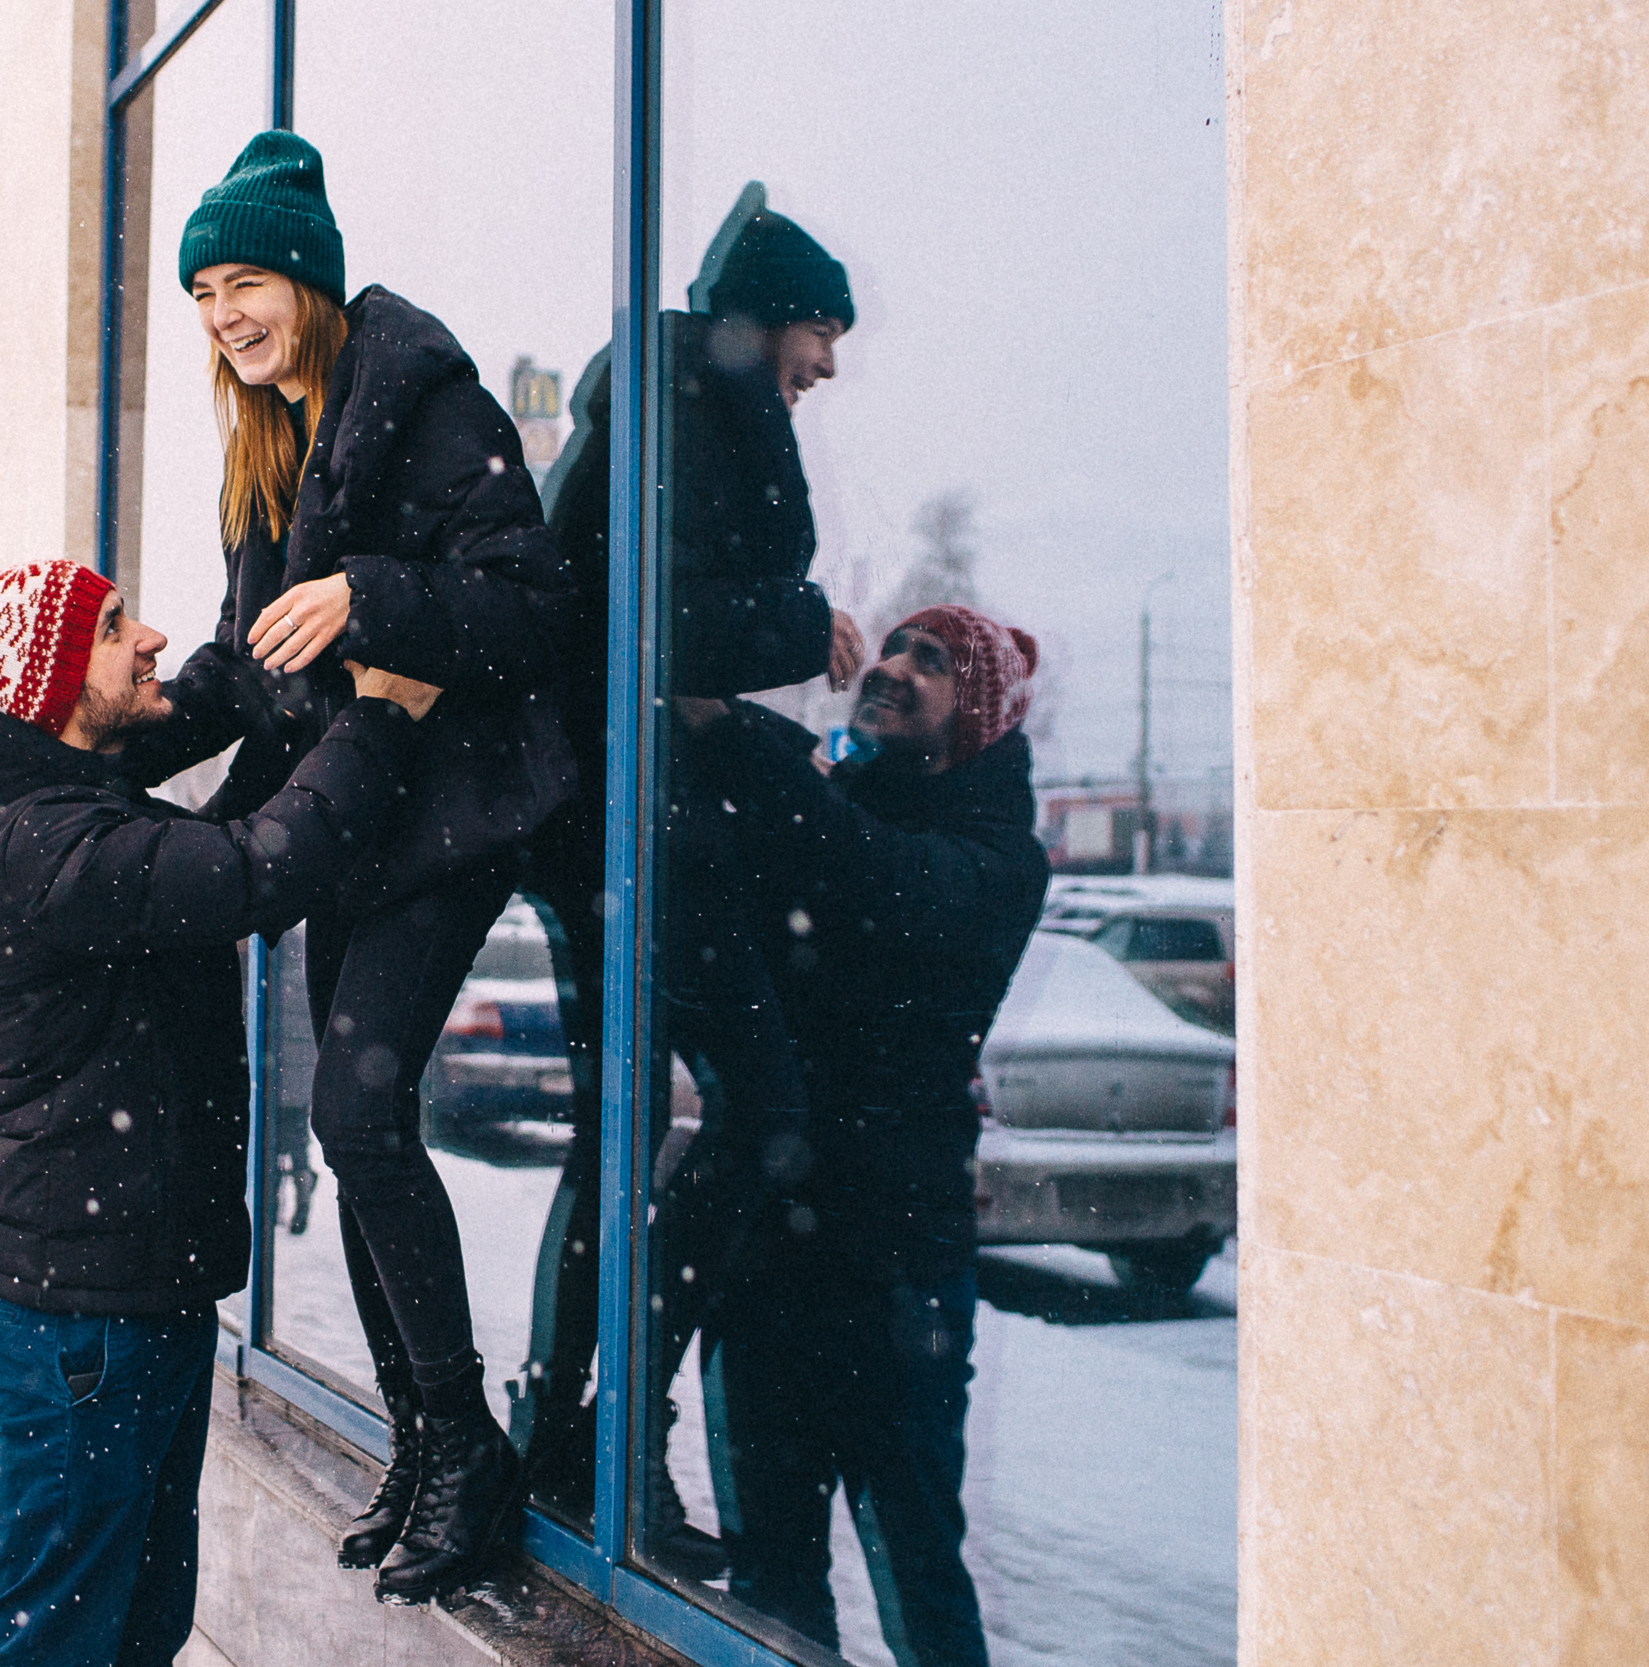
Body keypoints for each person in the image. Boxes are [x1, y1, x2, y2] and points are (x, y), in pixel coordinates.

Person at [118, 131, 579, 1604]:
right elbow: (249, 657)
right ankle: (425, 1438)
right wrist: (121, 743)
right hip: (355, 813)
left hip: (455, 807)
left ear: (306, 280)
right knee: (350, 1126)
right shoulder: (270, 441)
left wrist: (368, 595)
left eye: (242, 283)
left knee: (359, 1108)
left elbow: (533, 607)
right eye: (202, 295)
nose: (222, 317)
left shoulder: (425, 403)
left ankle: (467, 1443)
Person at [0, 558, 441, 1666]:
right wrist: (381, 712)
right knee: (60, 1637)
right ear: (52, 690)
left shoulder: (56, 799)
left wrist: (276, 628)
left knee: (136, 1625)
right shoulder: (42, 845)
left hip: (123, 1293)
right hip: (86, 1322)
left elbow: (196, 775)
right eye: (112, 628)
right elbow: (251, 869)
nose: (146, 635)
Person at [508, 185, 861, 1548]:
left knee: (625, 1128)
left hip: (613, 813)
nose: (827, 366)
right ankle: (603, 1435)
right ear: (770, 317)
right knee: (754, 1108)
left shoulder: (668, 401)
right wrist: (804, 624)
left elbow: (643, 628)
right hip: (627, 822)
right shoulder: (688, 408)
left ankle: (572, 1436)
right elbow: (645, 620)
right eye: (822, 335)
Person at [677, 604, 1051, 1666]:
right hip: (774, 1254)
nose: (889, 668)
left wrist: (726, 725)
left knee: (917, 1567)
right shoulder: (836, 793)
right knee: (770, 1579)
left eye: (929, 662)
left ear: (975, 712)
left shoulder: (996, 859)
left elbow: (873, 876)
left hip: (898, 1273)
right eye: (890, 647)